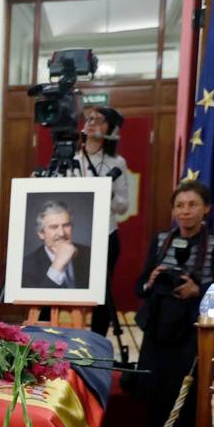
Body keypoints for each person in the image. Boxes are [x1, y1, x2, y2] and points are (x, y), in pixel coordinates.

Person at [130, 181, 214, 427]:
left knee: (189, 402)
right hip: (159, 333)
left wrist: (199, 290)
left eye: (193, 204)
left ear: (206, 208)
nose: (185, 211)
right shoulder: (160, 242)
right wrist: (152, 281)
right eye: (179, 205)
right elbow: (138, 287)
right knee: (155, 401)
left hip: (193, 336)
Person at [77, 108, 131, 339]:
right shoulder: (71, 158)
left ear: (111, 129)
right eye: (89, 118)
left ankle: (96, 342)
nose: (92, 123)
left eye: (100, 120)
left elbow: (123, 205)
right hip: (75, 234)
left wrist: (107, 194)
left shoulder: (117, 162)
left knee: (102, 294)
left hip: (106, 234)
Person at [21, 200, 91, 289]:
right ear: (41, 233)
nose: (62, 233)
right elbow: (39, 301)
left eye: (66, 225)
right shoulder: (26, 266)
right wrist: (57, 265)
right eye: (53, 227)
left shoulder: (89, 255)